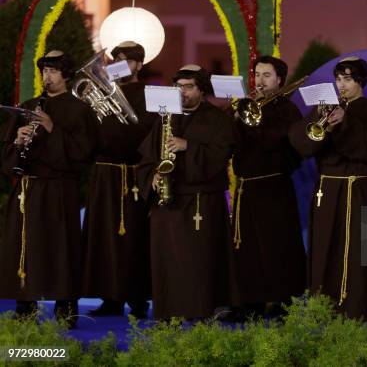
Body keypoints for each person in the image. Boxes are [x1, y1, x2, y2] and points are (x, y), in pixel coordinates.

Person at [288, 57, 367, 321]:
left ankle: (352, 306)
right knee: (323, 245)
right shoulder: (325, 108)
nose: (341, 85)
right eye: (338, 79)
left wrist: (345, 124)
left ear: (360, 81)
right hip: (326, 188)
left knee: (352, 250)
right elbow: (301, 145)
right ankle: (321, 306)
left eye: (347, 79)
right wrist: (322, 123)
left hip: (354, 188)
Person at [0, 50, 98, 327]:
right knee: (25, 246)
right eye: (44, 70)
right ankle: (25, 307)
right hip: (28, 190)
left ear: (66, 75)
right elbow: (5, 154)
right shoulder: (29, 106)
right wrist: (17, 142)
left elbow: (82, 155)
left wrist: (53, 129)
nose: (47, 76)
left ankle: (66, 309)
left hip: (58, 190)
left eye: (53, 71)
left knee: (60, 248)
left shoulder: (80, 110)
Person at [137, 64, 234, 320]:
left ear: (202, 90)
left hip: (201, 203)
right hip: (168, 204)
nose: (182, 92)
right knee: (167, 262)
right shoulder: (166, 117)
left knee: (197, 262)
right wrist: (153, 175)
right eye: (178, 86)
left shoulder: (218, 119)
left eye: (189, 87)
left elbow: (219, 157)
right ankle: (168, 313)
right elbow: (146, 156)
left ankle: (200, 312)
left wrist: (187, 146)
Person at [82, 41, 157, 319]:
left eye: (125, 61)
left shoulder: (149, 94)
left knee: (136, 238)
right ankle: (109, 298)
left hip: (135, 173)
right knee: (104, 237)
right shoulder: (100, 92)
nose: (117, 66)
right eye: (115, 60)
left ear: (139, 65)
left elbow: (146, 132)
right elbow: (90, 133)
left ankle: (138, 300)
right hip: (105, 174)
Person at [229, 56, 306, 318]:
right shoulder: (247, 105)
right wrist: (236, 118)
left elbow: (276, 141)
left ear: (280, 80)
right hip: (247, 187)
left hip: (274, 187)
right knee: (247, 248)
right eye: (257, 75)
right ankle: (251, 302)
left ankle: (283, 302)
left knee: (278, 246)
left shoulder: (287, 110)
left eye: (267, 76)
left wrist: (254, 120)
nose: (260, 81)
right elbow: (233, 145)